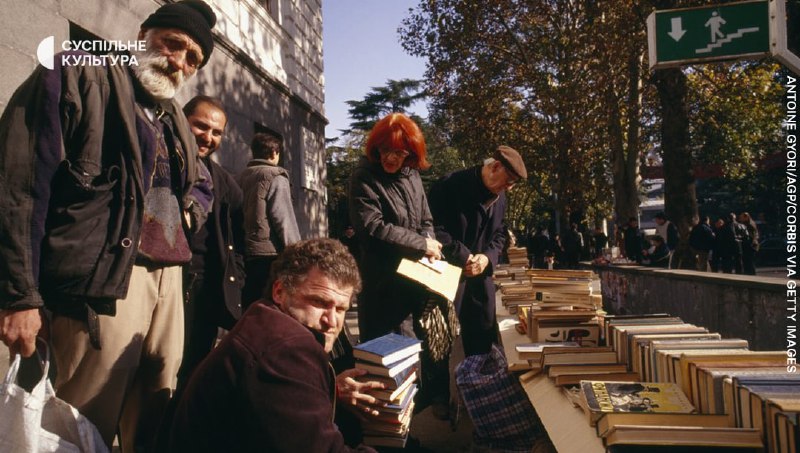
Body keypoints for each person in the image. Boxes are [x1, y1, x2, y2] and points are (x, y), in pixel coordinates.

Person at [0, 2, 216, 450]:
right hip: (100, 282)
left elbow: (200, 181)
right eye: (173, 44)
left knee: (154, 413)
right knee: (77, 426)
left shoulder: (174, 116)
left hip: (169, 281)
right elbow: (18, 185)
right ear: (142, 33)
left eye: (193, 58)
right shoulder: (76, 74)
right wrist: (19, 295)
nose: (179, 62)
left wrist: (192, 206)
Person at [167, 239, 377, 452]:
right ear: (279, 291)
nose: (332, 321)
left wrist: (335, 393)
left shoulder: (265, 320)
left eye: (341, 309)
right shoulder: (285, 349)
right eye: (319, 303)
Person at [347, 112, 442, 342]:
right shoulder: (363, 178)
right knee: (388, 363)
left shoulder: (413, 176)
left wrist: (430, 249)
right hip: (383, 288)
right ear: (375, 148)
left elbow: (425, 220)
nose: (390, 158)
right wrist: (422, 244)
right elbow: (373, 228)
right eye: (385, 150)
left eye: (399, 152)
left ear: (410, 153)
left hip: (416, 284)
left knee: (418, 360)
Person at [429, 145, 527, 356]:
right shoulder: (450, 185)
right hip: (449, 277)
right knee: (440, 350)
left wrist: (486, 258)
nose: (508, 188)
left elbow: (501, 233)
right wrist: (464, 257)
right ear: (495, 167)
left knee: (484, 346)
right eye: (508, 181)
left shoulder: (500, 196)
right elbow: (433, 228)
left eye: (512, 184)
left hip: (480, 282)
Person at [178, 96, 245, 389]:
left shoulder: (224, 182)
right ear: (183, 121)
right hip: (166, 284)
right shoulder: (162, 162)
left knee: (191, 371)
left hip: (204, 291)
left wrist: (236, 280)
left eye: (216, 132)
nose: (208, 137)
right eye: (201, 127)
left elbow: (239, 240)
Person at [239, 132, 301, 308]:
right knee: (270, 308)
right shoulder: (275, 177)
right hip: (269, 254)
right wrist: (296, 253)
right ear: (275, 153)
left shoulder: (239, 177)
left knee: (249, 307)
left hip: (243, 252)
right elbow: (283, 218)